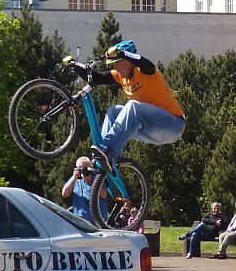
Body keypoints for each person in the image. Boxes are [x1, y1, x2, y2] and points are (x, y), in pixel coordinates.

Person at [64, 40, 185, 172]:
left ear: (128, 61)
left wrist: (124, 54)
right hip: (152, 128)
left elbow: (145, 63)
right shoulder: (121, 76)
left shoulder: (145, 71)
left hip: (173, 124)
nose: (114, 68)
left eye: (116, 64)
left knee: (133, 106)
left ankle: (108, 152)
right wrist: (74, 66)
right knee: (114, 111)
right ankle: (101, 162)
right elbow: (96, 78)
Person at [61, 156, 107, 225]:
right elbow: (64, 194)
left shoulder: (97, 177)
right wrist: (74, 177)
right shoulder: (75, 179)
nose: (84, 172)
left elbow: (104, 194)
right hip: (80, 221)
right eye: (81, 169)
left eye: (86, 169)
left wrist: (91, 182)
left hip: (96, 222)